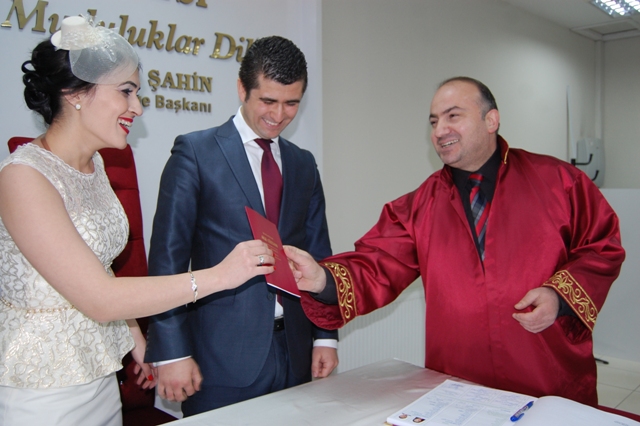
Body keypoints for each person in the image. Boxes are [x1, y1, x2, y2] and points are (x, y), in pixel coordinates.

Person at [0, 16, 274, 425]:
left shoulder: (94, 166)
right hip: (42, 390)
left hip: (100, 378)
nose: (138, 107)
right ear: (75, 93)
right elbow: (99, 297)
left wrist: (136, 340)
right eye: (126, 91)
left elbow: (97, 266)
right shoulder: (23, 177)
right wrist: (220, 276)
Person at [285, 76, 625, 407]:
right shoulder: (420, 206)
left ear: (491, 120)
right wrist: (322, 279)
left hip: (545, 376)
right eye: (434, 121)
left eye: (453, 116)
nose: (439, 130)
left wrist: (559, 296)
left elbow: (602, 245)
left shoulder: (559, 182)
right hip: (459, 386)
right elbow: (376, 264)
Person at [144, 35, 339, 415]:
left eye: (291, 103)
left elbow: (319, 255)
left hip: (296, 353)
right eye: (268, 101)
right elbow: (167, 260)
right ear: (241, 89)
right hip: (218, 359)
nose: (279, 115)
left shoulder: (303, 164)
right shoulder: (195, 153)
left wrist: (325, 337)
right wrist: (172, 351)